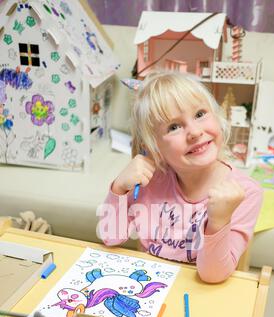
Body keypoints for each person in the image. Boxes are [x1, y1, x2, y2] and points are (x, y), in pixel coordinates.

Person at [97, 71, 263, 283]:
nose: (194, 132)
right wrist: (119, 189)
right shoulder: (149, 182)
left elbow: (212, 276)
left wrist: (219, 221)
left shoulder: (244, 192)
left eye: (200, 114)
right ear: (153, 148)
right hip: (149, 289)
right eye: (174, 127)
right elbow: (110, 238)